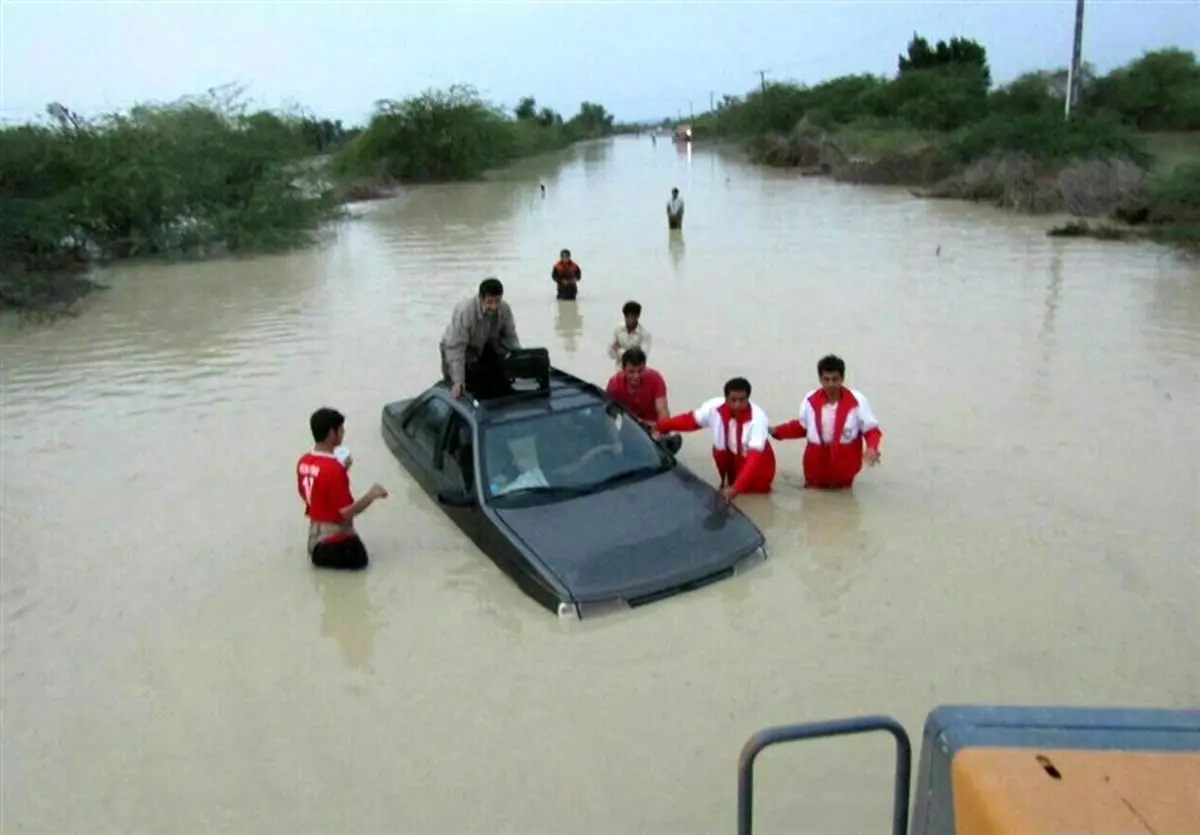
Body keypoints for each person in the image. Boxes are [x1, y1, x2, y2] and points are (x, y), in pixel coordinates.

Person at [769, 354, 882, 489]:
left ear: (842, 379)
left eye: (835, 379)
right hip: (815, 465)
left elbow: (871, 430)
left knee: (844, 502)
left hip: (845, 466)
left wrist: (871, 447)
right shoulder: (809, 400)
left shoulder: (858, 401)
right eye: (826, 379)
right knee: (812, 501)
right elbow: (802, 427)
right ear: (820, 379)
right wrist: (776, 431)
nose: (831, 384)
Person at [654, 376, 776, 502]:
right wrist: (659, 426)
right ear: (726, 399)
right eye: (733, 400)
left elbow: (753, 460)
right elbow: (690, 421)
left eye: (742, 400)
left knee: (754, 498)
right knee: (726, 487)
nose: (737, 405)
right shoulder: (713, 408)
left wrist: (736, 489)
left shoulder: (758, 420)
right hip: (730, 457)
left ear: (748, 399)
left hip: (756, 464)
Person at [296, 407, 388, 570]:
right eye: (341, 429)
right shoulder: (333, 469)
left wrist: (342, 470)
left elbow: (312, 495)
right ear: (332, 433)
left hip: (315, 541)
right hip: (337, 546)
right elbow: (346, 512)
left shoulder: (303, 461)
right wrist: (372, 495)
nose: (343, 432)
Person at [440, 277, 522, 400]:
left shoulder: (505, 309)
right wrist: (458, 380)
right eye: (489, 302)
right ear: (481, 298)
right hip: (457, 350)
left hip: (485, 346)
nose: (494, 306)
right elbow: (456, 348)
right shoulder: (465, 311)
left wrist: (521, 359)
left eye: (497, 301)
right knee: (459, 388)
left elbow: (510, 338)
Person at [606, 347, 668, 424]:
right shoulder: (614, 386)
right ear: (623, 369)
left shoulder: (655, 380)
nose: (636, 376)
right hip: (626, 427)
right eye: (631, 372)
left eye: (640, 371)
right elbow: (608, 416)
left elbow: (663, 415)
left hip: (652, 429)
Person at [608, 300, 652, 367]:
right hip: (619, 371)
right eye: (626, 317)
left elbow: (640, 358)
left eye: (631, 317)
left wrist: (619, 351)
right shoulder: (618, 329)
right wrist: (631, 352)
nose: (628, 320)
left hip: (636, 372)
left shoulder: (644, 334)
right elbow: (611, 353)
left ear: (637, 316)